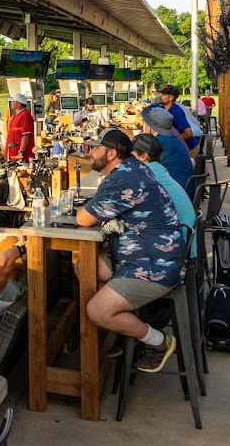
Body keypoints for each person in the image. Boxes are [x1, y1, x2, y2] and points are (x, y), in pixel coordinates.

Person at [76, 128, 184, 373]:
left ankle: (157, 342)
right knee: (84, 267)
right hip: (142, 254)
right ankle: (117, 332)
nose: (91, 152)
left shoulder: (123, 179)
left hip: (154, 266)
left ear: (112, 153)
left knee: (97, 310)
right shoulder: (131, 169)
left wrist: (87, 212)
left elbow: (83, 219)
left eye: (96, 148)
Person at [131, 134, 197, 259]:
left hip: (178, 244)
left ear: (144, 156)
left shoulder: (146, 174)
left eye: (132, 156)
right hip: (185, 236)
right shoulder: (158, 169)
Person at [141, 105, 193, 194]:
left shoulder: (158, 143)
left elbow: (141, 169)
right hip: (183, 190)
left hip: (175, 194)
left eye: (145, 123)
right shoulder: (170, 139)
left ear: (150, 127)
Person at [158, 84, 200, 160]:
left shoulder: (176, 112)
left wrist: (171, 144)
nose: (160, 96)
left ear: (171, 97)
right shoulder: (167, 110)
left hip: (190, 148)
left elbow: (188, 133)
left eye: (163, 94)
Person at [5, 93, 34, 162]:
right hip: (11, 152)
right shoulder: (14, 116)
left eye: (13, 101)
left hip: (19, 155)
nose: (11, 103)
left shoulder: (25, 115)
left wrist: (21, 151)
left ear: (19, 104)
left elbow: (26, 134)